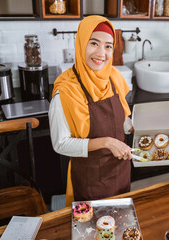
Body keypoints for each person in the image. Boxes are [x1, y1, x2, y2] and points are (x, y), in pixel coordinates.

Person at [49, 15, 133, 206]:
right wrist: (107, 142)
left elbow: (120, 118)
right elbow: (60, 144)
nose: (101, 53)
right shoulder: (66, 90)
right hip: (90, 180)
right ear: (81, 43)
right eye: (94, 43)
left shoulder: (113, 77)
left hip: (120, 172)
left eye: (108, 46)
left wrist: (133, 126)